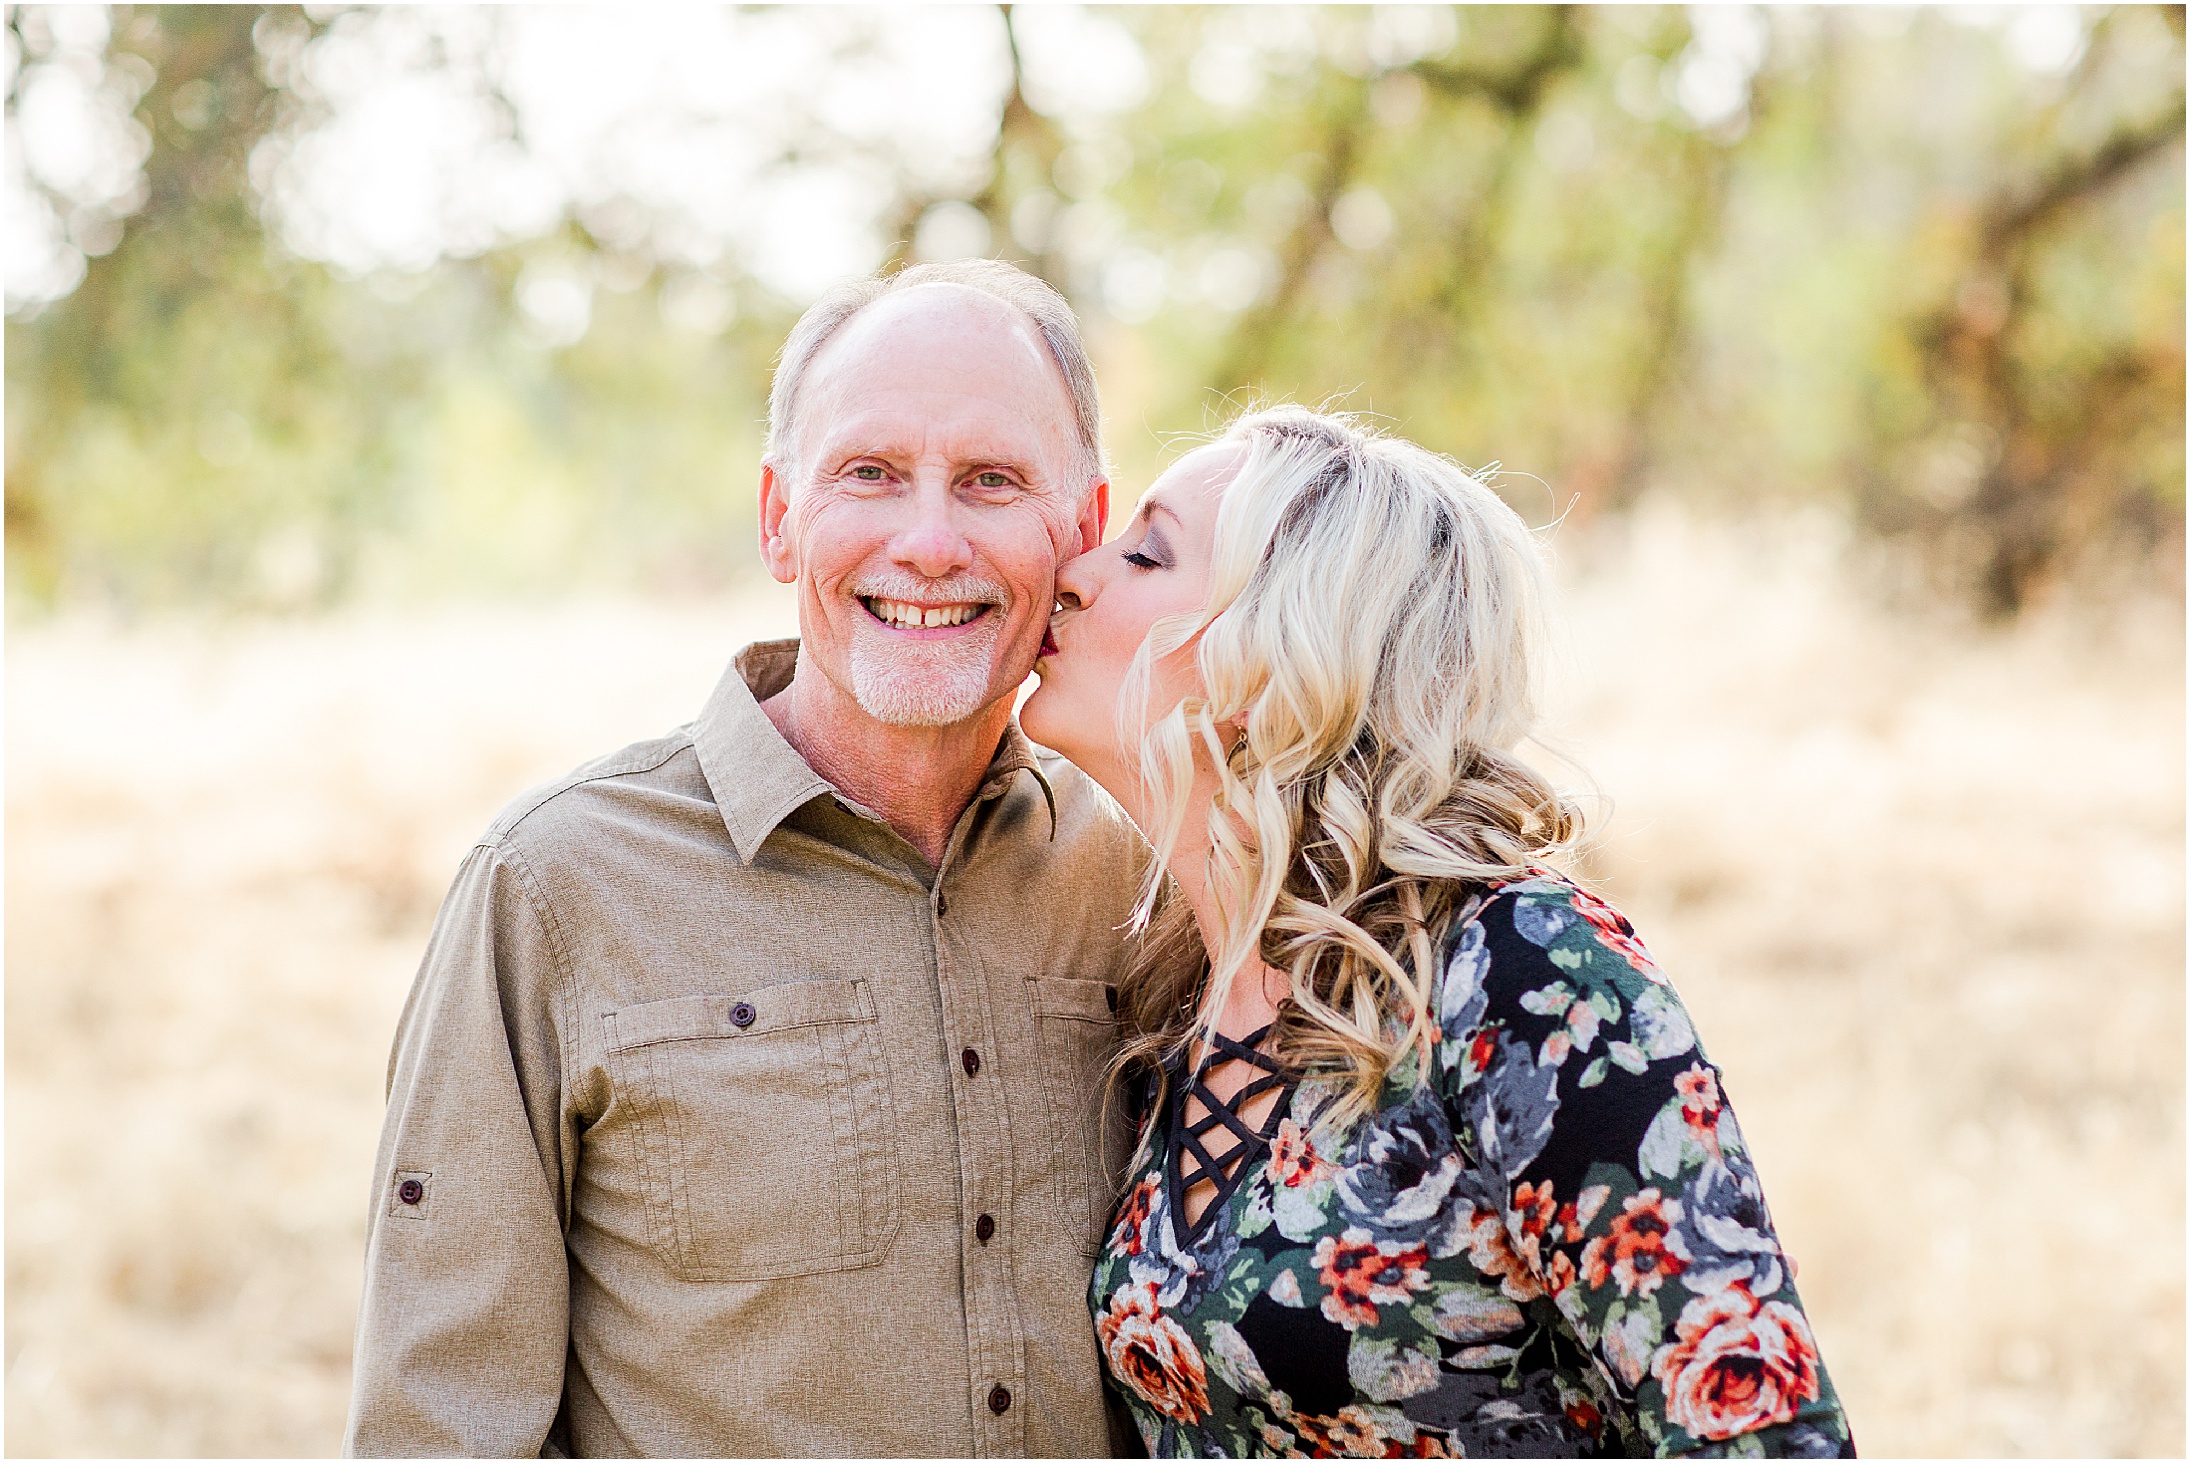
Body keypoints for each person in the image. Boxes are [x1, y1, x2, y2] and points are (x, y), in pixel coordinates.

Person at [345, 260, 1150, 1457]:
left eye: (991, 481)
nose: (929, 543)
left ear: (1081, 530)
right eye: (868, 474)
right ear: (778, 516)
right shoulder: (554, 886)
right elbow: (441, 1424)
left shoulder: (1148, 876)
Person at [1020, 406, 1855, 1458]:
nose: (1074, 572)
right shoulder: (1170, 998)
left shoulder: (1522, 970)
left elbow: (1765, 1435)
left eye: (1145, 551)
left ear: (1279, 652)